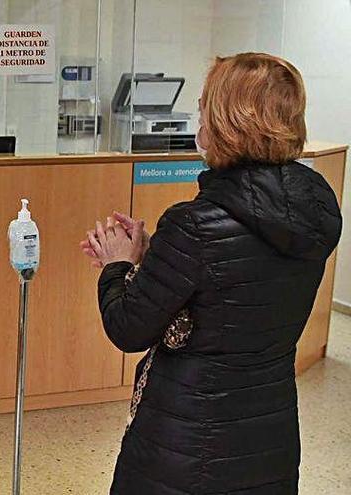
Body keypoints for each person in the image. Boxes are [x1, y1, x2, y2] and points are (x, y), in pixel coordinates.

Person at [80, 53, 341, 494]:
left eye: (203, 108)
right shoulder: (312, 213)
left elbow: (128, 328)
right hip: (268, 433)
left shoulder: (195, 224)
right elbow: (233, 296)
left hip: (188, 443)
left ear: (224, 121)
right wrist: (155, 256)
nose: (198, 120)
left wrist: (118, 264)